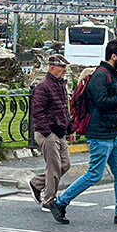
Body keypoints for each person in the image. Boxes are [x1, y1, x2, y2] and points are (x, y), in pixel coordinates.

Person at [47, 40, 117, 225]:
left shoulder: (112, 75)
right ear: (113, 56)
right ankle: (59, 202)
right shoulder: (100, 75)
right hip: (99, 134)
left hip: (112, 133)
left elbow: (111, 103)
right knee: (94, 174)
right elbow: (102, 103)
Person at [29, 54, 74, 211]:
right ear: (51, 67)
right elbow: (37, 111)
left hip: (59, 131)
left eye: (65, 67)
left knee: (65, 164)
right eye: (62, 67)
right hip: (48, 132)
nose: (64, 70)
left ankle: (37, 183)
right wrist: (46, 132)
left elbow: (64, 109)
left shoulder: (61, 84)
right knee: (54, 167)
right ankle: (49, 200)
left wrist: (70, 129)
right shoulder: (43, 86)